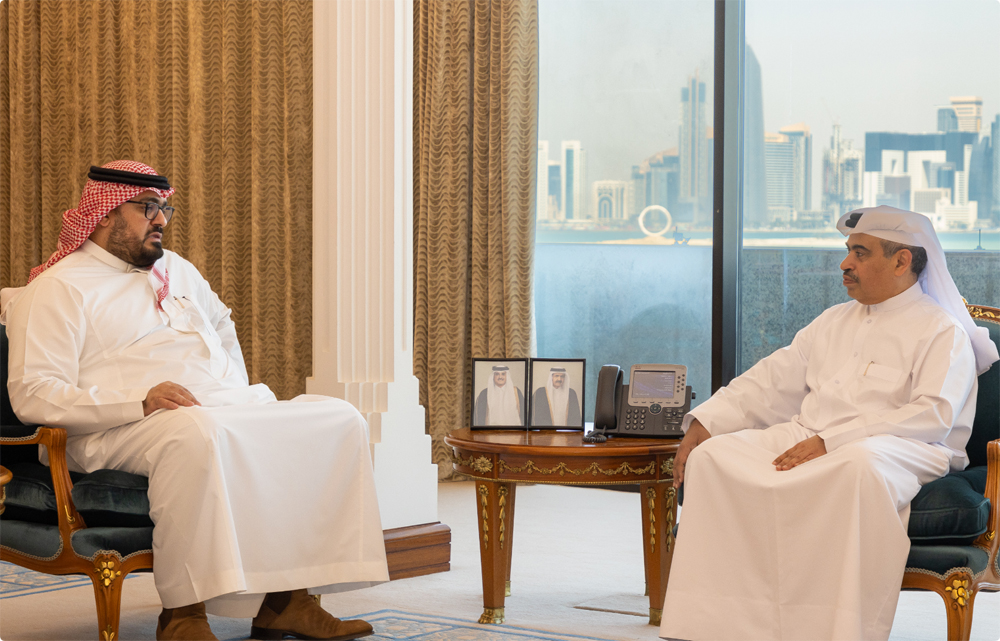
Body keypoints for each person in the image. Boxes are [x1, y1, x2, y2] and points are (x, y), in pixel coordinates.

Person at [4, 161, 389, 641]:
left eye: (165, 208)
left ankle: (288, 602)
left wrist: (229, 394)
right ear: (102, 215)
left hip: (207, 412)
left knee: (337, 417)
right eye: (147, 208)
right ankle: (184, 616)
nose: (161, 219)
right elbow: (33, 395)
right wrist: (137, 402)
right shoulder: (57, 288)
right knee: (198, 433)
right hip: (109, 429)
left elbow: (223, 329)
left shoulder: (178, 270)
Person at [659, 206, 998, 641]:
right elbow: (768, 381)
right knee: (715, 458)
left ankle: (832, 629)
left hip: (904, 447)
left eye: (860, 252)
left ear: (902, 261)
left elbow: (931, 416)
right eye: (847, 251)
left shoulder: (941, 331)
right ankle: (718, 627)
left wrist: (832, 440)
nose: (845, 264)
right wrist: (703, 425)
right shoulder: (832, 321)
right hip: (809, 434)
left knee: (856, 465)